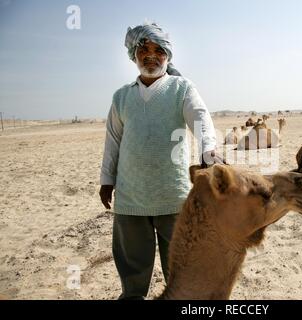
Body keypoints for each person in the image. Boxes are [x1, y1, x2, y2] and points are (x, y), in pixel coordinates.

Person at [99, 22, 224, 300]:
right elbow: (113, 141)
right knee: (132, 268)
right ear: (134, 55)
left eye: (158, 49)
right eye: (143, 49)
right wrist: (107, 180)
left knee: (180, 267)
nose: (151, 55)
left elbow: (201, 119)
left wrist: (208, 151)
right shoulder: (122, 97)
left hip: (173, 195)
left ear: (167, 55)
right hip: (131, 196)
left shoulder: (181, 88)